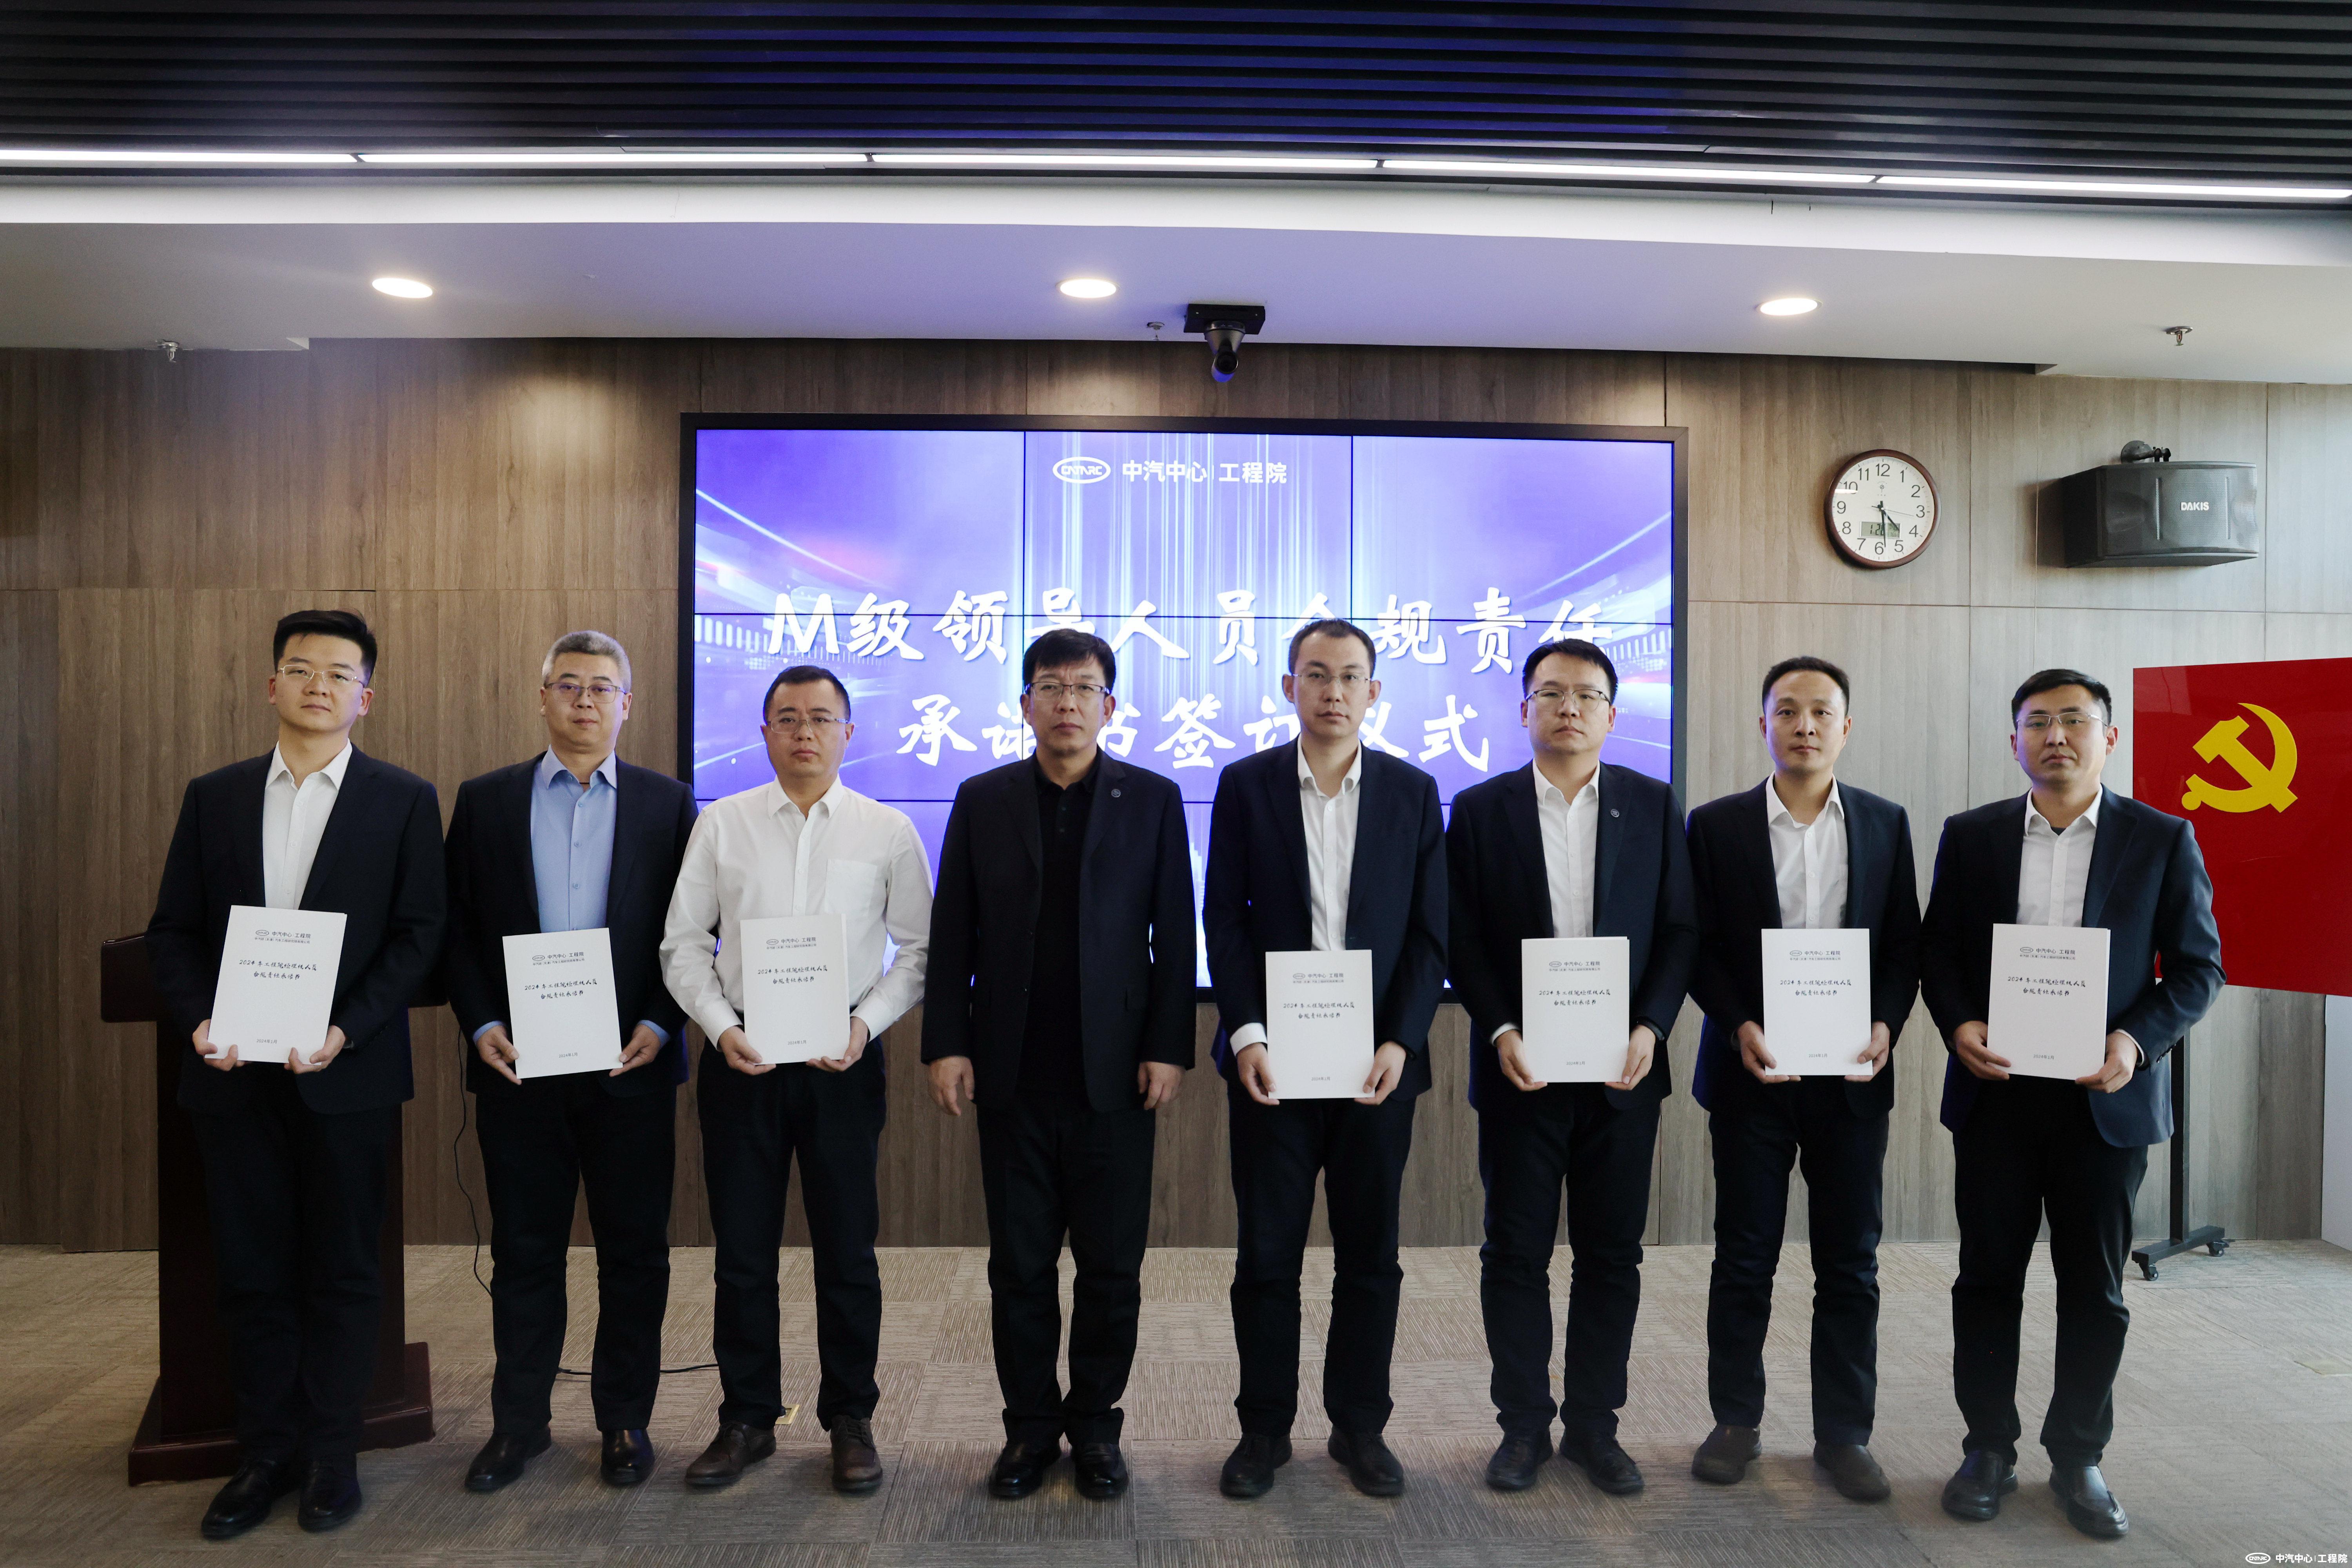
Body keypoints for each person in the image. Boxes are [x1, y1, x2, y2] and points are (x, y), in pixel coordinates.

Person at [145, 609, 446, 1539]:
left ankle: (330, 1453)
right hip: (234, 1075)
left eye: (339, 672)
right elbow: (173, 931)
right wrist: (201, 1019)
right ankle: (263, 1452)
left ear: (366, 696)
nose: (320, 685)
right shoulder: (215, 795)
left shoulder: (405, 799)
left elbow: (419, 938)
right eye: (301, 668)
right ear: (271, 684)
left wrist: (345, 1029)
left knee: (344, 1270)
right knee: (251, 1270)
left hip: (345, 1076)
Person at [1921, 668, 2222, 1540]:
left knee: (2095, 1287)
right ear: (2014, 738)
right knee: (1987, 1279)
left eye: (2075, 720)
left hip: (2105, 1102)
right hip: (1999, 1097)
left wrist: (2134, 1042)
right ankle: (1988, 1448)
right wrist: (1959, 1022)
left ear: (2109, 737)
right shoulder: (1972, 836)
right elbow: (1939, 951)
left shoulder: (2162, 837)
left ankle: (2079, 1455)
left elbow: (2198, 969)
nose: (2056, 736)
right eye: (2037, 722)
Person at [922, 627, 1197, 1502]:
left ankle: (1098, 1428)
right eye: (1051, 686)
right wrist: (947, 1041)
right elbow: (952, 930)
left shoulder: (1153, 798)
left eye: (1083, 688)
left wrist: (1167, 1045)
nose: (1067, 702)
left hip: (1115, 1076)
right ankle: (1030, 1430)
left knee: (1112, 1269)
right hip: (1011, 1071)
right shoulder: (984, 797)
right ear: (1026, 703)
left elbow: (1175, 933)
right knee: (1020, 1267)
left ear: (1109, 706)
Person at [661, 664, 932, 1495]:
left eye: (821, 718)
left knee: (847, 1250)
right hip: (743, 1059)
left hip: (843, 1060)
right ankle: (747, 1417)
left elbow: (919, 951)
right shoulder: (723, 823)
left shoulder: (888, 830)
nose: (804, 732)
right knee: (743, 1252)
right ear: (765, 731)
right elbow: (683, 944)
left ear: (849, 731)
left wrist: (865, 1024)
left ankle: (850, 1418)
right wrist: (722, 1027)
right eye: (787, 718)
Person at [442, 631, 699, 1492]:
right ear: (542, 696)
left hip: (631, 1065)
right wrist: (480, 1021)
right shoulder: (485, 801)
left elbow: (692, 931)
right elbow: (456, 927)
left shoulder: (670, 804)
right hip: (520, 1066)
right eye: (569, 685)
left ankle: (624, 1418)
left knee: (635, 1252)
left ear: (627, 704)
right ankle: (518, 1425)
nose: (585, 701)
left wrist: (662, 1023)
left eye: (602, 688)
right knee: (524, 1251)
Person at [1445, 637, 1697, 1497]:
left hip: (1624, 1073)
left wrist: (1652, 1025)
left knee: (1610, 1256)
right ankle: (1522, 1426)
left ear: (1612, 715)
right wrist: (1500, 1026)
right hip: (1522, 1070)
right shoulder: (1481, 809)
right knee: (1514, 1253)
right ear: (1525, 710)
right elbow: (1463, 935)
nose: (1569, 708)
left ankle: (1596, 1427)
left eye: (1587, 695)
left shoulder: (1652, 804)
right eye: (1551, 693)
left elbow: (1680, 929)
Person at [1203, 618, 1447, 1501]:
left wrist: (1400, 1039)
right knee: (1266, 1255)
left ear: (1373, 692)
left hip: (1376, 1070)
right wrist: (1247, 1034)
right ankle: (1264, 1430)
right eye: (1316, 674)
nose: (1333, 691)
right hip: (1272, 1066)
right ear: (1289, 687)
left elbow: (1429, 933)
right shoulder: (1246, 785)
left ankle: (1360, 1427)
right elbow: (1224, 920)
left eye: (1349, 676)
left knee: (1370, 1256)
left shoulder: (1414, 791)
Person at [1683, 656, 1920, 1501]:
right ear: (1764, 725)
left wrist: (1886, 1023)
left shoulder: (1886, 823)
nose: (1805, 725)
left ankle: (1844, 1434)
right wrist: (1737, 1023)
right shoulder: (1716, 826)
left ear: (1846, 727)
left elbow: (1904, 944)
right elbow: (1696, 945)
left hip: (1850, 1080)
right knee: (1745, 1255)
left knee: (1850, 1262)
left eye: (1822, 711)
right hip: (1754, 1073)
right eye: (1788, 710)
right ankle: (1735, 1420)